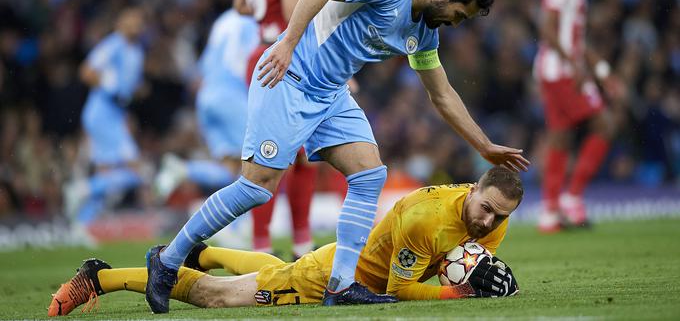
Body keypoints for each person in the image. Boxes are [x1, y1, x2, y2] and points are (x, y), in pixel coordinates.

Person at [145, 0, 530, 313]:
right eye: (459, 15)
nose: (455, 23)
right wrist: (287, 44)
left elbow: (441, 93)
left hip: (331, 94)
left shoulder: (425, 34)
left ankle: (341, 285)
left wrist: (484, 146)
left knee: (368, 174)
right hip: (289, 76)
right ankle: (166, 261)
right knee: (257, 187)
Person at [49, 167, 522, 316]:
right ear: (473, 187)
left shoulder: (492, 216)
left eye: (499, 216)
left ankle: (206, 252)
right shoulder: (426, 220)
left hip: (340, 262)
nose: (489, 223)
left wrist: (466, 270)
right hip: (329, 280)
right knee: (217, 297)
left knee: (271, 269)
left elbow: (466, 255)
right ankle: (101, 278)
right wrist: (458, 291)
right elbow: (399, 292)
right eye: (486, 209)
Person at [235, 0, 320, 259]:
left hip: (260, 52)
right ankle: (264, 250)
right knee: (275, 158)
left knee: (298, 155)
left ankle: (297, 245)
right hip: (283, 57)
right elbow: (292, 13)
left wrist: (263, 11)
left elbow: (240, 3)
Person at [533, 0, 621, 233]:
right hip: (561, 72)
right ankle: (571, 199)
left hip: (560, 70)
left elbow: (579, 41)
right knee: (604, 124)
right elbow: (547, 28)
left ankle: (549, 212)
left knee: (561, 137)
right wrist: (574, 64)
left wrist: (602, 71)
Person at [155, 8, 259, 201]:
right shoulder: (254, 23)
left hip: (207, 95)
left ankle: (185, 169)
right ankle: (241, 226)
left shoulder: (223, 20)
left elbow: (199, 72)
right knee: (257, 163)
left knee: (229, 169)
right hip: (231, 96)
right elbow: (254, 63)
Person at [70, 7, 146, 224]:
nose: (137, 24)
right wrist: (110, 88)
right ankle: (81, 189)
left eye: (139, 20)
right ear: (120, 23)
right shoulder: (113, 45)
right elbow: (86, 72)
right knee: (136, 167)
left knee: (106, 172)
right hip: (102, 112)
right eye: (132, 19)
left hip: (115, 114)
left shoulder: (137, 51)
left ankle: (84, 221)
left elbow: (130, 86)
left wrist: (132, 94)